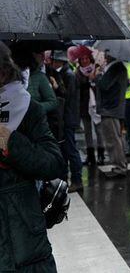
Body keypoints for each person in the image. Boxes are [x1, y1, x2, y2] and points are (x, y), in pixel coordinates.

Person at [0, 41, 66, 272]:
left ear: (4, 73)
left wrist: (10, 142)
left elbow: (54, 163)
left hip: (25, 243)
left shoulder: (26, 108)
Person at [49, 51, 83, 193]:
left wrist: (57, 87)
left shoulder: (68, 74)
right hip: (66, 117)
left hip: (68, 118)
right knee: (66, 149)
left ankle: (77, 180)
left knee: (70, 149)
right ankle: (68, 180)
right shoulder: (64, 73)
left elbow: (67, 97)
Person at [94, 51, 129, 178]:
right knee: (116, 138)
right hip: (114, 108)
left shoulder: (116, 67)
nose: (104, 56)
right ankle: (120, 165)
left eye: (106, 53)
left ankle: (120, 167)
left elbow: (103, 85)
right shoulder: (119, 67)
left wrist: (98, 75)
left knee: (113, 139)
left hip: (110, 108)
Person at [75, 45, 105, 166]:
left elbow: (101, 86)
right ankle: (90, 155)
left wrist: (94, 78)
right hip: (84, 105)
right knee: (87, 132)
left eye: (87, 58)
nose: (85, 61)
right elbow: (78, 87)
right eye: (82, 59)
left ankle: (101, 155)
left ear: (90, 59)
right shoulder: (77, 73)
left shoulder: (97, 70)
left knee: (99, 130)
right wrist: (87, 80)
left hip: (96, 105)